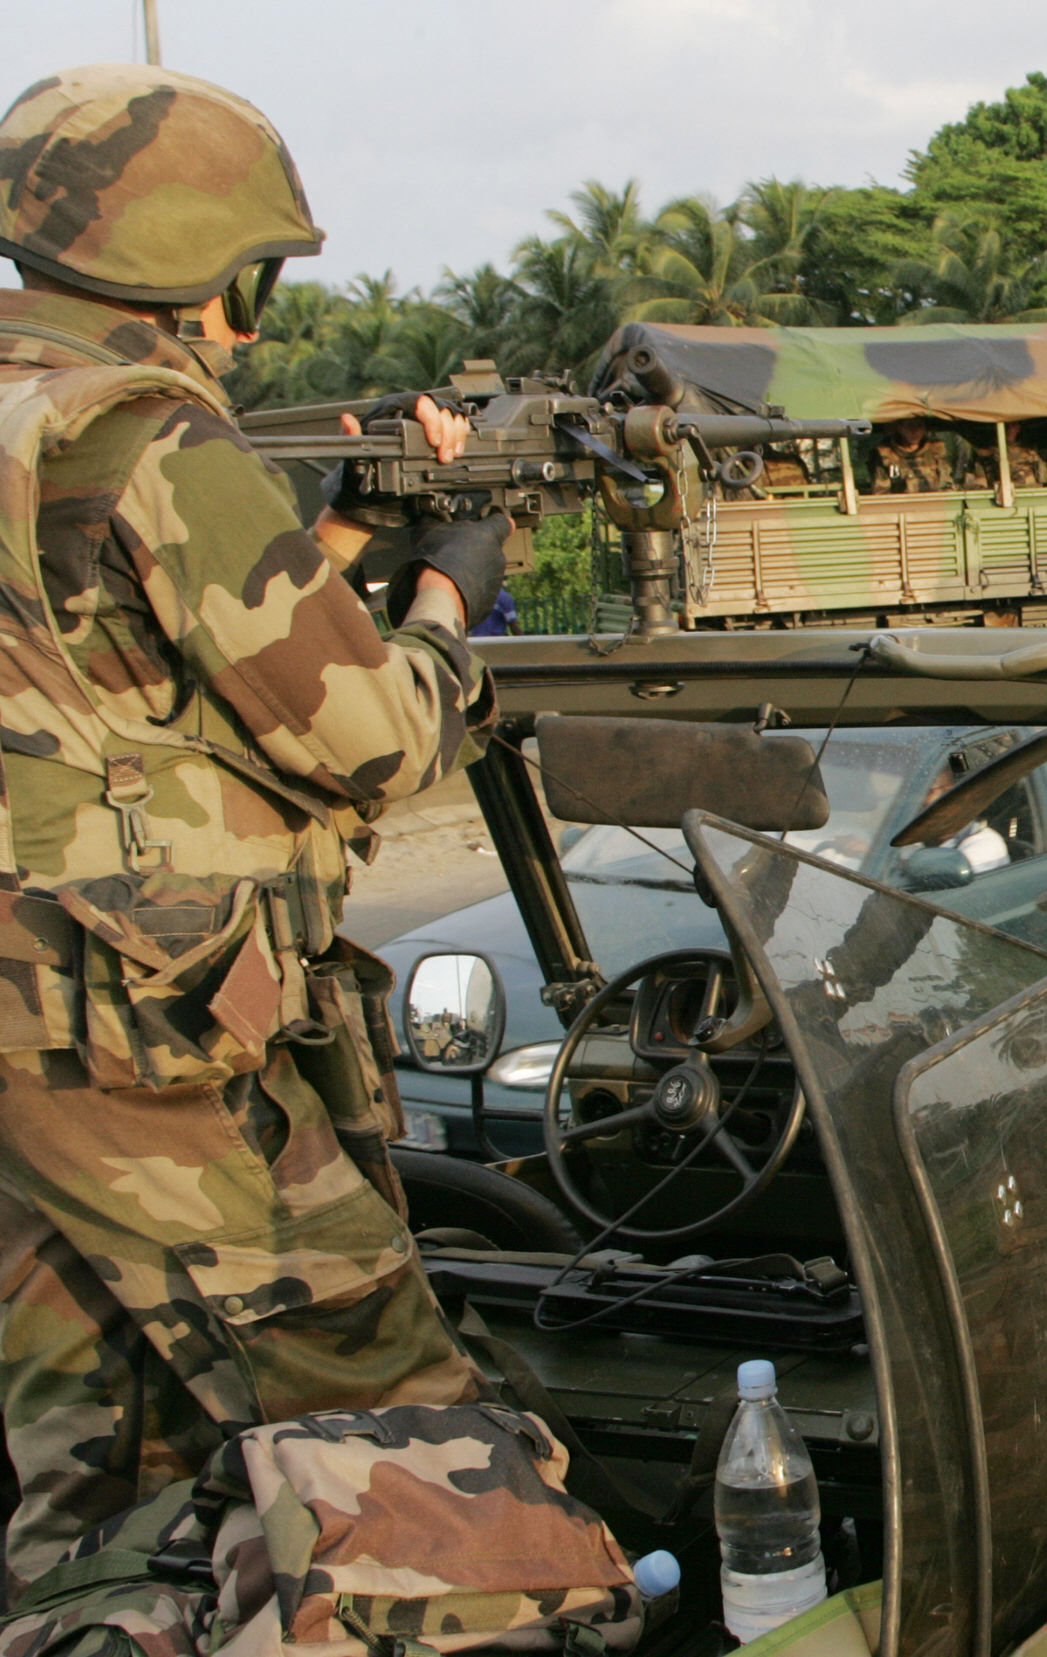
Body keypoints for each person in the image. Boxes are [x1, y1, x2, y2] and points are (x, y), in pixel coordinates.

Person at [0, 65, 503, 1592]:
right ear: (203, 270)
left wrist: (329, 537)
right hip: (137, 1045)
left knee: (96, 1450)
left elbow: (115, 665)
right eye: (253, 286)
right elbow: (367, 741)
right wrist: (446, 599)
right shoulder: (152, 438)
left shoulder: (43, 423)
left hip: (39, 1051)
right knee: (398, 1435)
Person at [868, 416, 959, 493]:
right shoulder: (886, 455)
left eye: (919, 426)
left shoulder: (936, 451)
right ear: (899, 428)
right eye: (909, 426)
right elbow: (882, 492)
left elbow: (947, 485)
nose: (914, 431)